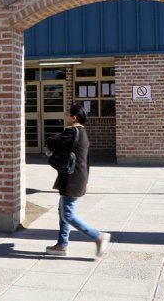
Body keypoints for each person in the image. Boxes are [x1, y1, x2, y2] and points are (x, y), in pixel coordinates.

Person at [44, 102, 110, 257]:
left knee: (67, 214)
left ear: (73, 118)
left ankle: (98, 236)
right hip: (79, 177)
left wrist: (50, 140)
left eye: (68, 114)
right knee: (63, 210)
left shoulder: (72, 132)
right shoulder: (83, 133)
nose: (66, 117)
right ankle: (62, 245)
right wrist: (86, 180)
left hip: (72, 179)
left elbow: (52, 142)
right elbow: (87, 160)